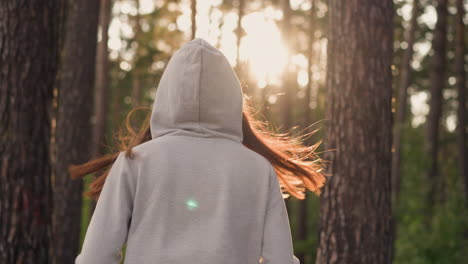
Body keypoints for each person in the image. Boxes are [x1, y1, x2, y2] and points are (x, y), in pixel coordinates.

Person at [72, 38, 326, 264]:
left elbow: (97, 256)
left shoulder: (135, 161)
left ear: (166, 95)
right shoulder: (258, 169)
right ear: (231, 97)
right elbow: (279, 259)